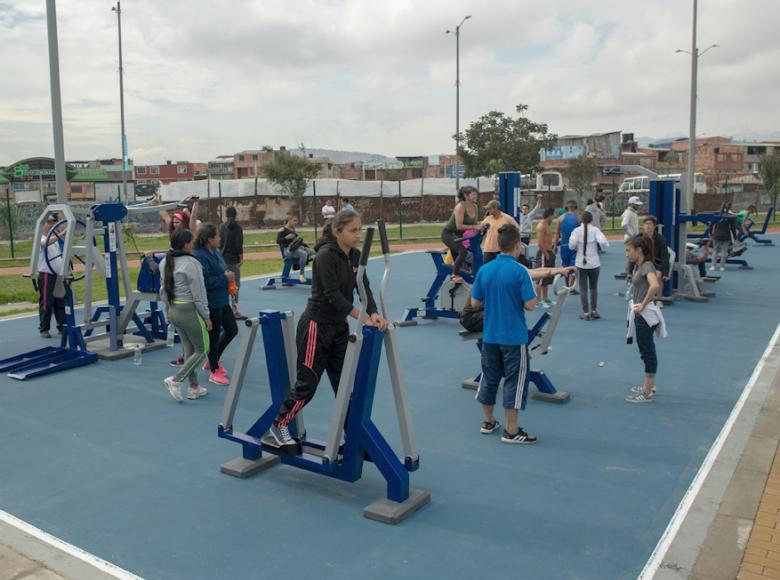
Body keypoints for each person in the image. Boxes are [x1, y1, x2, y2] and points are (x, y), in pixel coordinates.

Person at [267, 210, 389, 452]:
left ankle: (351, 435)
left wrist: (373, 311)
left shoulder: (354, 256)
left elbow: (363, 285)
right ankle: (279, 426)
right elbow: (333, 296)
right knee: (307, 384)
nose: (358, 235)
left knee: (344, 385)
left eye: (360, 230)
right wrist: (362, 317)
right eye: (353, 230)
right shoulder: (325, 257)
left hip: (339, 329)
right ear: (337, 232)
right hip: (316, 327)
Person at [470, 224, 538, 444]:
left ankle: (488, 421)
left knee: (489, 378)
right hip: (514, 337)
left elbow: (475, 302)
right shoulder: (520, 271)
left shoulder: (485, 270)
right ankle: (511, 430)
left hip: (490, 335)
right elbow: (530, 305)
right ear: (517, 245)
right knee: (514, 380)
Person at [160, 229, 212, 403]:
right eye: (192, 241)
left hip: (174, 310)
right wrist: (206, 315)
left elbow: (164, 291)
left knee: (189, 350)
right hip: (189, 311)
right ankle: (176, 380)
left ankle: (194, 387)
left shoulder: (165, 262)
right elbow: (198, 294)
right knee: (203, 349)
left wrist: (167, 310)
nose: (194, 244)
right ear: (185, 244)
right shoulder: (191, 263)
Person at [193, 224, 238, 386]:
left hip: (222, 299)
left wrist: (229, 280)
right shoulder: (199, 256)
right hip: (210, 303)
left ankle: (213, 359)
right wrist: (225, 279)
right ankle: (214, 369)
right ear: (209, 239)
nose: (220, 238)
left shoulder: (216, 252)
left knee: (232, 329)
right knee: (212, 337)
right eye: (217, 236)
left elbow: (223, 270)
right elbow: (204, 281)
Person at [624, 234, 667, 404]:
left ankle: (647, 392)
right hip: (640, 313)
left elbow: (655, 285)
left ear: (639, 250)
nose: (627, 254)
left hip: (644, 315)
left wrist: (642, 304)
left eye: (629, 250)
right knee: (647, 350)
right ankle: (649, 386)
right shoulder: (640, 265)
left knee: (647, 352)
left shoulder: (647, 266)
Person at [568, 210, 609, 320]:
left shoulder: (576, 231)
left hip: (581, 263)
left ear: (581, 220)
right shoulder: (595, 230)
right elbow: (604, 243)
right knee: (594, 287)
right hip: (594, 263)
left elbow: (571, 246)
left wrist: (577, 245)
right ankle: (594, 310)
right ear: (591, 220)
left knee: (583, 288)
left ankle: (585, 312)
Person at [36, 215, 67, 338]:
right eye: (49, 223)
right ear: (42, 225)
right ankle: (44, 328)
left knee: (60, 302)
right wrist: (62, 233)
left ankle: (62, 326)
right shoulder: (40, 238)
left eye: (53, 223)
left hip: (58, 275)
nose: (51, 225)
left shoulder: (55, 239)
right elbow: (44, 244)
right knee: (46, 303)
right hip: (47, 275)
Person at [441, 185, 480, 282]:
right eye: (473, 194)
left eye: (476, 194)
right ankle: (454, 275)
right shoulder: (460, 207)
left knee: (467, 254)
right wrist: (475, 227)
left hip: (459, 236)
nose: (476, 196)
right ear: (466, 196)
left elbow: (475, 223)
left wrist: (481, 226)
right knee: (463, 252)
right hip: (448, 234)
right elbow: (459, 226)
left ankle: (463, 272)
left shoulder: (475, 207)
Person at [219, 206, 245, 320]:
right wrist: (241, 257)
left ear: (226, 215)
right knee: (235, 285)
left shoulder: (221, 227)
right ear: (236, 215)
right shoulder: (238, 228)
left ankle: (224, 309)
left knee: (224, 284)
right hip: (233, 260)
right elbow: (238, 244)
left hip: (222, 259)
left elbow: (220, 243)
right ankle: (234, 310)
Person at [276, 213, 313, 282]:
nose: (296, 223)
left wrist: (306, 246)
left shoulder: (293, 229)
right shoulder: (282, 230)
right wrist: (286, 238)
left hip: (296, 249)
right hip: (288, 251)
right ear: (289, 220)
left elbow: (296, 241)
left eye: (296, 221)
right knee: (303, 254)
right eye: (294, 221)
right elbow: (278, 241)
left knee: (312, 252)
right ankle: (301, 275)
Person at [641, 216, 670, 301]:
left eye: (650, 224)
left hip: (657, 263)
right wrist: (629, 271)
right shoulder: (640, 238)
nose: (647, 226)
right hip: (644, 263)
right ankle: (642, 298)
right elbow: (635, 254)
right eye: (646, 224)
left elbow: (665, 256)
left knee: (657, 276)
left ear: (654, 226)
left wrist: (665, 273)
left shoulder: (661, 239)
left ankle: (659, 299)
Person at [615, 196, 642, 279]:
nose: (638, 206)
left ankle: (629, 271)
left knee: (633, 254)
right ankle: (629, 272)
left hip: (633, 237)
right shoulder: (629, 213)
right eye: (636, 204)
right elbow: (624, 224)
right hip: (631, 237)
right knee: (633, 254)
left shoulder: (632, 212)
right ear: (631, 204)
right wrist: (631, 235)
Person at [534, 207, 557, 308]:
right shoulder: (541, 226)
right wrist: (546, 253)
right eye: (553, 215)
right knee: (540, 278)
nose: (554, 217)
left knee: (547, 277)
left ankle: (545, 298)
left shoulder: (547, 224)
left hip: (549, 252)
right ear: (550, 215)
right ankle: (538, 300)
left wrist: (551, 252)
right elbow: (539, 242)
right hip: (544, 254)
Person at [557, 200, 580, 269]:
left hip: (564, 244)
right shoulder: (579, 218)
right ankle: (571, 280)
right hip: (575, 244)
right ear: (575, 207)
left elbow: (557, 234)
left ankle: (567, 279)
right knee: (573, 267)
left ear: (566, 207)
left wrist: (555, 245)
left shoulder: (560, 218)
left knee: (565, 266)